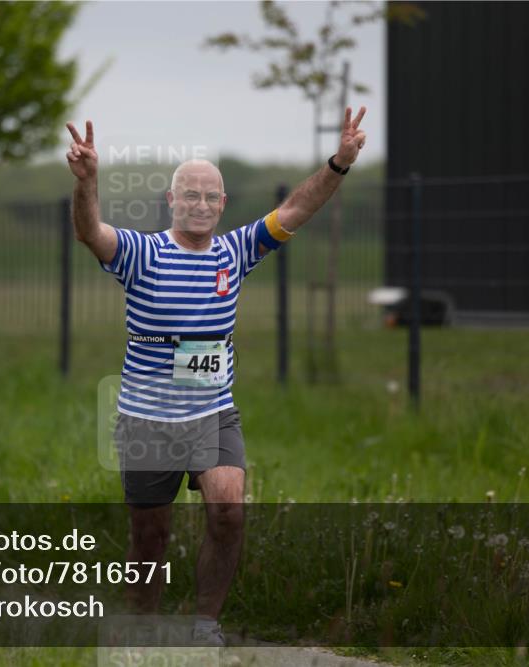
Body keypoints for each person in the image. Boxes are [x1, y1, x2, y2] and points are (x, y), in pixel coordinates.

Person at [65, 108, 367, 645]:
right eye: (191, 196)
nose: (201, 205)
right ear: (172, 201)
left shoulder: (237, 251)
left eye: (211, 197)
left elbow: (297, 207)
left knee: (228, 509)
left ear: (222, 204)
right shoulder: (143, 253)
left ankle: (206, 625)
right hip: (147, 419)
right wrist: (88, 182)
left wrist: (339, 164)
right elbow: (90, 232)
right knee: (150, 538)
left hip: (211, 413)